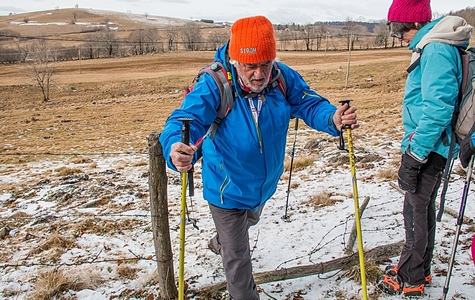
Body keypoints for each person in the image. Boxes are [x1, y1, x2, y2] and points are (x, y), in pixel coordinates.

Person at [159, 15, 358, 300]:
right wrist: (176, 146)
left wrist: (333, 118)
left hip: (262, 187)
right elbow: (186, 118)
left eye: (265, 64)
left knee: (245, 225)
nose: (258, 73)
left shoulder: (281, 78)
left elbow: (309, 104)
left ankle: (220, 243)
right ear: (235, 60)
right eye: (250, 66)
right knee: (239, 262)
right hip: (226, 190)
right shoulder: (215, 84)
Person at [377, 0, 473, 298]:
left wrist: (414, 155)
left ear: (415, 25)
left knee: (415, 212)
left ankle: (411, 277)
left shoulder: (435, 50)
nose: (397, 37)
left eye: (398, 29)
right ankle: (419, 268)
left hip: (430, 147)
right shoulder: (438, 46)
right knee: (421, 208)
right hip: (433, 145)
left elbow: (437, 110)